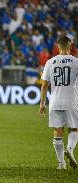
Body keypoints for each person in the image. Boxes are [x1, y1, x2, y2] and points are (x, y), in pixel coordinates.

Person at [40, 35, 78, 170]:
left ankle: (61, 164)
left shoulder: (50, 62)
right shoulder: (76, 62)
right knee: (74, 128)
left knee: (58, 131)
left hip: (55, 101)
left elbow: (44, 85)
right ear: (70, 46)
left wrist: (42, 104)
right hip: (72, 100)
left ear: (57, 46)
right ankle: (70, 149)